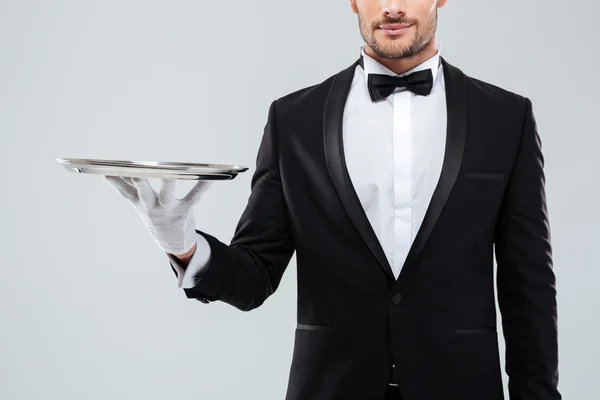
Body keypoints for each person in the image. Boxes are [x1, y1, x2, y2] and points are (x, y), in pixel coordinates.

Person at [104, 0, 561, 399]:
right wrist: (182, 243)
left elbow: (529, 287)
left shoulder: (506, 118)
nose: (393, 7)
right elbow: (255, 275)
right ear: (352, 0)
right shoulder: (293, 120)